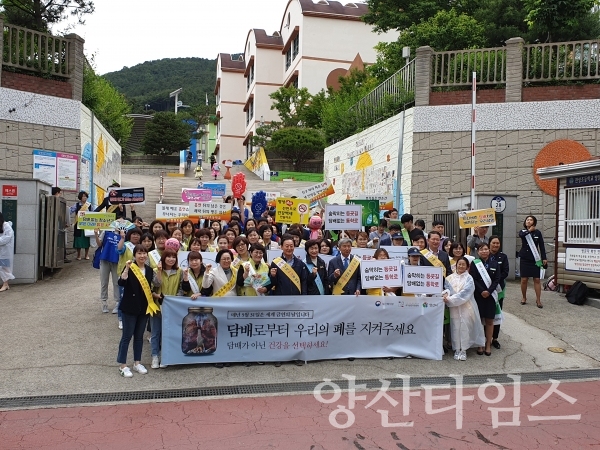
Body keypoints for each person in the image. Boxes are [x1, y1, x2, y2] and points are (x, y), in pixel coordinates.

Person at [116, 244, 159, 377]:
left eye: (144, 253)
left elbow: (155, 285)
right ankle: (122, 365)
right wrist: (126, 270)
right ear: (135, 255)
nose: (142, 256)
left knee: (139, 336)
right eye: (139, 253)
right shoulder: (130, 267)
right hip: (129, 307)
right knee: (127, 336)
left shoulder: (150, 270)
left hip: (144, 307)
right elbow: (121, 283)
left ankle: (137, 362)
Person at [442, 257, 486, 361]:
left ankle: (464, 349)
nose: (461, 266)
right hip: (454, 307)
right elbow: (447, 289)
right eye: (459, 264)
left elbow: (466, 293)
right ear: (456, 265)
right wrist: (446, 296)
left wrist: (451, 299)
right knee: (455, 327)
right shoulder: (449, 278)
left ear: (467, 266)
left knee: (465, 327)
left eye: (463, 264)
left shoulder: (469, 278)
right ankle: (457, 349)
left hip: (466, 305)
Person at [152, 248, 183, 369]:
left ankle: (166, 357)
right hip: (157, 307)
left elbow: (181, 288)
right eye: (168, 257)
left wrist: (176, 300)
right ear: (163, 258)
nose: (171, 259)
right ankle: (155, 356)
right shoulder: (155, 270)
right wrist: (159, 271)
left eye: (173, 257)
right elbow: (156, 285)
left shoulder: (179, 271)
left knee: (169, 332)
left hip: (172, 308)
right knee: (156, 332)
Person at [469, 242, 501, 356]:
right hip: (479, 295)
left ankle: (488, 344)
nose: (484, 251)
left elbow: (497, 279)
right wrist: (482, 291)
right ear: (478, 252)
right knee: (479, 320)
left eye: (486, 249)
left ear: (489, 250)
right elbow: (474, 279)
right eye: (481, 249)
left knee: (489, 321)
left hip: (491, 296)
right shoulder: (474, 263)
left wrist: (489, 291)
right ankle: (480, 344)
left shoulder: (495, 263)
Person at [518, 215, 547, 308]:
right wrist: (529, 231)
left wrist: (544, 258)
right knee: (524, 279)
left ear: (534, 222)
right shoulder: (523, 231)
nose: (529, 221)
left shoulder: (538, 233)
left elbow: (541, 246)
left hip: (535, 259)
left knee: (537, 279)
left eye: (531, 220)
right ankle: (524, 297)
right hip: (524, 259)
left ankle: (538, 300)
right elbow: (521, 235)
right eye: (527, 220)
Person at [94, 225, 121, 313]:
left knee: (116, 282)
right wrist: (96, 234)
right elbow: (99, 244)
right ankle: (104, 302)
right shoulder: (106, 231)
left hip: (117, 261)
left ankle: (117, 303)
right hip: (105, 259)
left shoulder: (124, 233)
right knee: (104, 282)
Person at [489, 235, 509, 349]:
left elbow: (506, 272)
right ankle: (486, 337)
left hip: (498, 289)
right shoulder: (486, 255)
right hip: (486, 289)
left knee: (497, 313)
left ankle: (495, 338)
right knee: (486, 314)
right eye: (493, 243)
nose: (496, 245)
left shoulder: (503, 257)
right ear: (489, 244)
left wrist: (495, 281)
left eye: (497, 243)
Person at [70, 190, 92, 260]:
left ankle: (86, 254)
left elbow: (93, 213)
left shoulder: (89, 205)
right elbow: (70, 211)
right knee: (78, 240)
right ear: (80, 197)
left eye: (85, 196)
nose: (84, 198)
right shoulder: (76, 205)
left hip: (87, 225)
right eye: (83, 196)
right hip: (78, 225)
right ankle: (78, 255)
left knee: (86, 240)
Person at [53, 187, 71, 263]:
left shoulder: (49, 200)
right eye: (60, 193)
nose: (60, 194)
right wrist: (68, 223)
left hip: (53, 227)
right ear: (57, 193)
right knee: (62, 243)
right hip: (60, 226)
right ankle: (62, 258)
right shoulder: (61, 203)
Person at [0, 212, 15, 292]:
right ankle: (6, 284)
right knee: (2, 267)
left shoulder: (6, 226)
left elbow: (7, 238)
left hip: (5, 252)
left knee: (4, 268)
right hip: (2, 251)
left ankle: (5, 284)